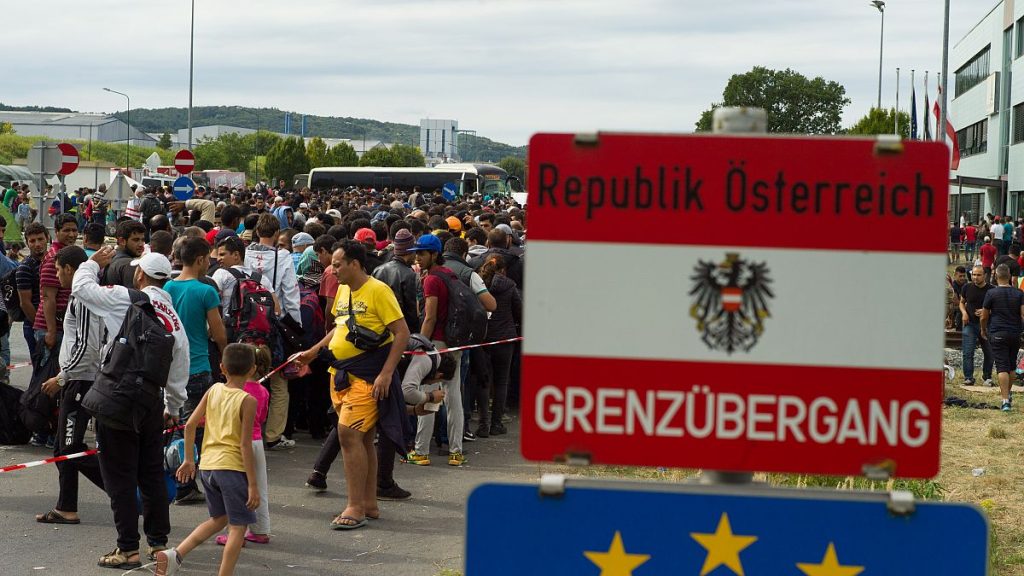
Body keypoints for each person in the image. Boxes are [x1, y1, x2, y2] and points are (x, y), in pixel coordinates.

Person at [71, 248, 189, 569]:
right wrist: (173, 407)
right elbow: (181, 362)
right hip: (151, 403)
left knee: (120, 477)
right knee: (150, 473)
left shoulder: (125, 297)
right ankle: (158, 543)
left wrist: (92, 262)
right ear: (165, 280)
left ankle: (127, 548)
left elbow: (80, 288)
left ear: (140, 275)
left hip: (116, 400)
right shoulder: (171, 314)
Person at [292, 240, 409, 530]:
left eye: (337, 264)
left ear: (355, 264)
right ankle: (368, 504)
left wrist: (385, 373)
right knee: (363, 439)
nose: (331, 269)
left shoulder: (379, 291)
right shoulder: (343, 290)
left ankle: (355, 507)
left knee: (347, 435)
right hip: (341, 375)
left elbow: (402, 332)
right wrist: (313, 352)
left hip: (368, 377)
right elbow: (339, 329)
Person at [156, 343, 260, 576]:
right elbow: (245, 445)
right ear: (252, 370)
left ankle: (177, 554)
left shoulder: (213, 390)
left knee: (219, 518)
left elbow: (190, 424)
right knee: (238, 527)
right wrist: (253, 485)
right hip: (231, 467)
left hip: (209, 466)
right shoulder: (248, 400)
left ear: (222, 367)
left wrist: (189, 459)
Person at [35, 246, 105, 525]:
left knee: (70, 448)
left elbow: (88, 348)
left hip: (80, 381)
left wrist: (62, 378)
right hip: (75, 379)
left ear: (70, 269)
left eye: (59, 270)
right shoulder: (82, 297)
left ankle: (124, 488)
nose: (57, 277)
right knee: (62, 448)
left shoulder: (83, 298)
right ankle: (66, 507)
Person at [165, 237, 228, 504]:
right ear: (201, 259)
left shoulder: (167, 286)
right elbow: (218, 331)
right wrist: (225, 353)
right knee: (196, 427)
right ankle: (186, 483)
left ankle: (175, 480)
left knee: (177, 424)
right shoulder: (205, 291)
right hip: (199, 364)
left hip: (171, 367)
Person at [406, 234, 467, 467]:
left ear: (434, 254)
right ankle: (456, 453)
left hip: (435, 345)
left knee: (428, 395)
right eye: (416, 253)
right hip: (455, 344)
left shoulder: (431, 279)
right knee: (454, 398)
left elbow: (429, 316)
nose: (417, 257)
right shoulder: (450, 274)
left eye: (421, 253)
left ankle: (421, 451)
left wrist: (422, 343)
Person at [244, 213, 301, 450]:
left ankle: (247, 429)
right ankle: (274, 435)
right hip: (274, 326)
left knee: (248, 378)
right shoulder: (283, 256)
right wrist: (296, 325)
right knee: (278, 383)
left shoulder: (244, 253)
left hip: (248, 324)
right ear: (277, 234)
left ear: (257, 231)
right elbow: (290, 292)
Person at [981, 264, 1024, 411]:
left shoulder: (991, 293)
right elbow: (1023, 314)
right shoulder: (1019, 293)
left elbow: (984, 316)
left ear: (996, 276)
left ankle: (1005, 401)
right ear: (1009, 276)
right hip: (1014, 333)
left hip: (998, 332)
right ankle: (1008, 394)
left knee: (1001, 367)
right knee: (1011, 366)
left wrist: (983, 329)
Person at [371, 229, 420, 333]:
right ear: (410, 251)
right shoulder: (410, 275)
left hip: (380, 329)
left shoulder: (378, 270)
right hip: (402, 330)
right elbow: (411, 311)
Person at [16, 222, 48, 357]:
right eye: (32, 241)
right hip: (35, 326)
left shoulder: (54, 261)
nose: (37, 244)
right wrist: (40, 327)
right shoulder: (25, 267)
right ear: (27, 243)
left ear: (48, 238)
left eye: (40, 239)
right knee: (41, 371)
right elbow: (25, 302)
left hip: (52, 325)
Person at [961, 265, 994, 387]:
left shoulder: (992, 289)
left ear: (984, 275)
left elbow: (996, 307)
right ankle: (968, 378)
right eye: (973, 274)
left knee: (989, 352)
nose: (975, 277)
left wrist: (987, 311)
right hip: (970, 324)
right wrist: (964, 313)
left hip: (986, 325)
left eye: (978, 275)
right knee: (967, 352)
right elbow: (961, 302)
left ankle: (987, 377)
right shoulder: (967, 287)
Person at [102, 220, 147, 288]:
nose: (141, 244)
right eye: (136, 240)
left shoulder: (112, 257)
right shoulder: (129, 264)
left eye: (143, 240)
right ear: (122, 241)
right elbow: (135, 296)